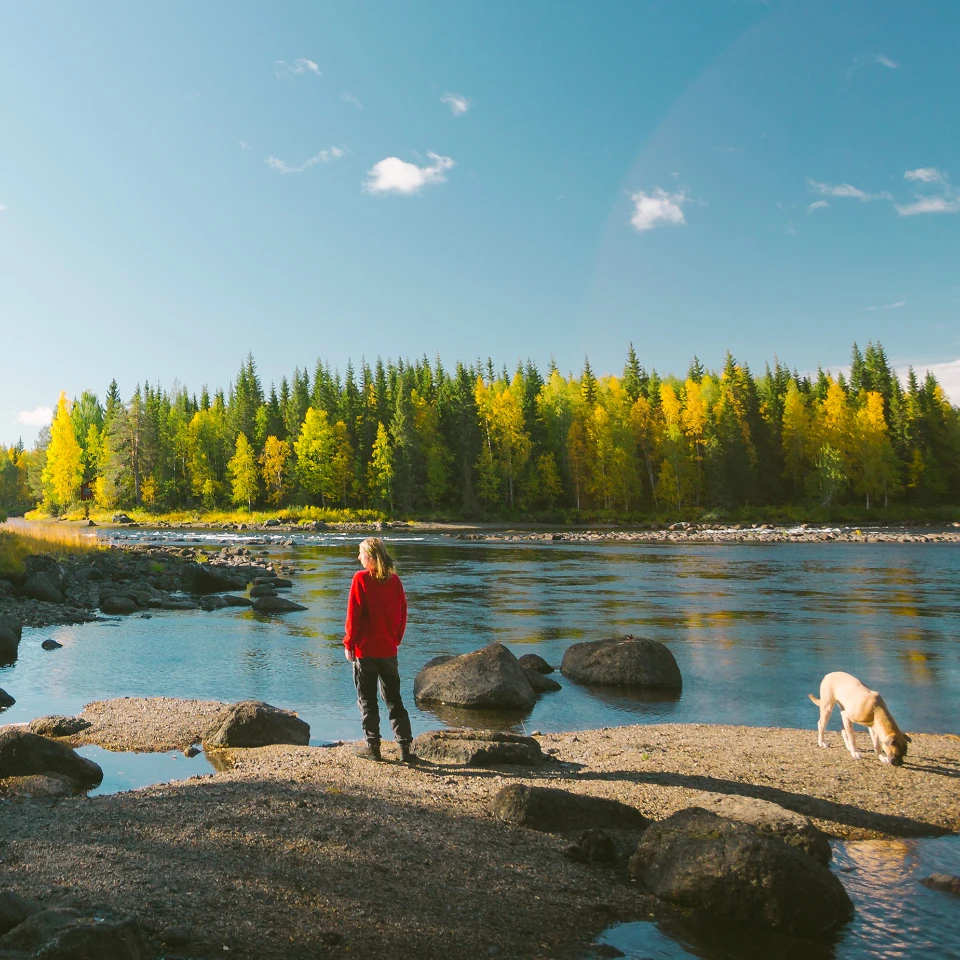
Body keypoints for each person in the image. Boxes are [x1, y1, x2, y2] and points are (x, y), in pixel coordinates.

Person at [344, 537, 415, 762]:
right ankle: (404, 748)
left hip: (365, 651)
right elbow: (403, 612)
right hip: (388, 649)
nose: (358, 558)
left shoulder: (360, 579)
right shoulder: (395, 581)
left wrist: (349, 643)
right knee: (394, 699)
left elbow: (353, 616)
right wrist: (396, 638)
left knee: (367, 700)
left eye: (361, 554)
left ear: (371, 557)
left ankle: (372, 747)